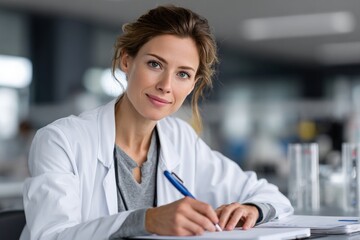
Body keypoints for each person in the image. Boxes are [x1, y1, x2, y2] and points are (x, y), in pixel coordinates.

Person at [20, 5, 293, 240]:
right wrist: (147, 221)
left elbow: (271, 196)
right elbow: (50, 235)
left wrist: (252, 209)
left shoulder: (179, 138)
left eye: (183, 74)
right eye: (155, 64)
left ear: (193, 84)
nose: (166, 86)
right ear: (127, 61)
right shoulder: (61, 140)